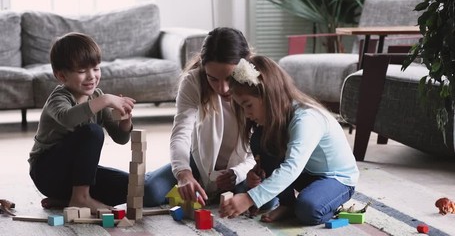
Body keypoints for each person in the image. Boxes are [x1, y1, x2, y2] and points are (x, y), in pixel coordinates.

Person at [219, 55, 359, 225]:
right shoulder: (276, 119)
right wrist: (258, 169)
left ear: (269, 95)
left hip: (336, 178)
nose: (247, 114)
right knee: (260, 139)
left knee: (308, 210)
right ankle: (287, 204)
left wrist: (249, 198)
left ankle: (329, 203)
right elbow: (276, 158)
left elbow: (291, 167)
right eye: (242, 107)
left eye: (248, 105)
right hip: (306, 172)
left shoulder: (306, 118)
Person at [143, 27, 257, 207]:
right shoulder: (193, 81)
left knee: (265, 201)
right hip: (201, 162)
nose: (223, 89)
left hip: (243, 167)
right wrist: (183, 174)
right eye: (213, 79)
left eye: (229, 78)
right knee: (149, 192)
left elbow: (260, 149)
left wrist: (238, 173)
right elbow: (181, 132)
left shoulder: (257, 85)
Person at [29, 32, 136, 213]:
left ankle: (66, 199)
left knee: (130, 186)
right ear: (62, 76)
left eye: (96, 68)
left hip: (74, 177)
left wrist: (125, 120)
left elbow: (120, 138)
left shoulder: (97, 97)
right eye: (82, 71)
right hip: (47, 173)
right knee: (92, 132)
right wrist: (106, 100)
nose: (91, 76)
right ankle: (81, 198)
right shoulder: (58, 98)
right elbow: (68, 118)